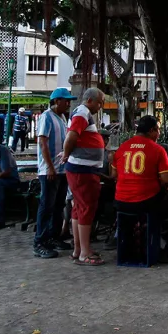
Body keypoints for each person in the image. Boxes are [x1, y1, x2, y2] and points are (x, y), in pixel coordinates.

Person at [111, 116, 168, 263]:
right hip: (146, 201)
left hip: (120, 202)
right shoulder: (157, 149)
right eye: (158, 130)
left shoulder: (122, 147)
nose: (159, 134)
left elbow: (113, 174)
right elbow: (167, 180)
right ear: (151, 130)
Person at [63, 87, 108, 265]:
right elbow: (72, 135)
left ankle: (78, 249)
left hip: (81, 168)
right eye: (100, 102)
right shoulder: (82, 112)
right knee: (86, 209)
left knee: (78, 208)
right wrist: (66, 153)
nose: (101, 105)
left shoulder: (81, 113)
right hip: (83, 170)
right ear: (90, 100)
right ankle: (85, 253)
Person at [33, 88, 73, 258]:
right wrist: (49, 167)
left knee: (58, 205)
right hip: (50, 170)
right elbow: (43, 142)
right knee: (47, 205)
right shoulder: (46, 117)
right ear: (57, 101)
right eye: (66, 101)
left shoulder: (63, 118)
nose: (68, 104)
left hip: (62, 169)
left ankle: (53, 236)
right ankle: (40, 242)